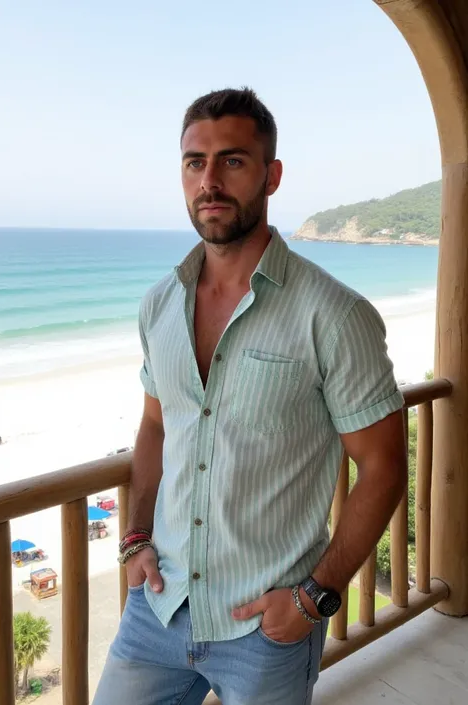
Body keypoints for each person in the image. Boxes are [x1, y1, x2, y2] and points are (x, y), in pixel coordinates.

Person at [93, 87, 407, 705]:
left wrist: (315, 596)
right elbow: (158, 427)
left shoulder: (333, 314)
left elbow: (383, 466)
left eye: (232, 161)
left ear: (271, 175)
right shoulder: (159, 305)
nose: (209, 180)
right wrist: (134, 539)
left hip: (267, 627)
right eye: (195, 162)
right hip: (159, 606)